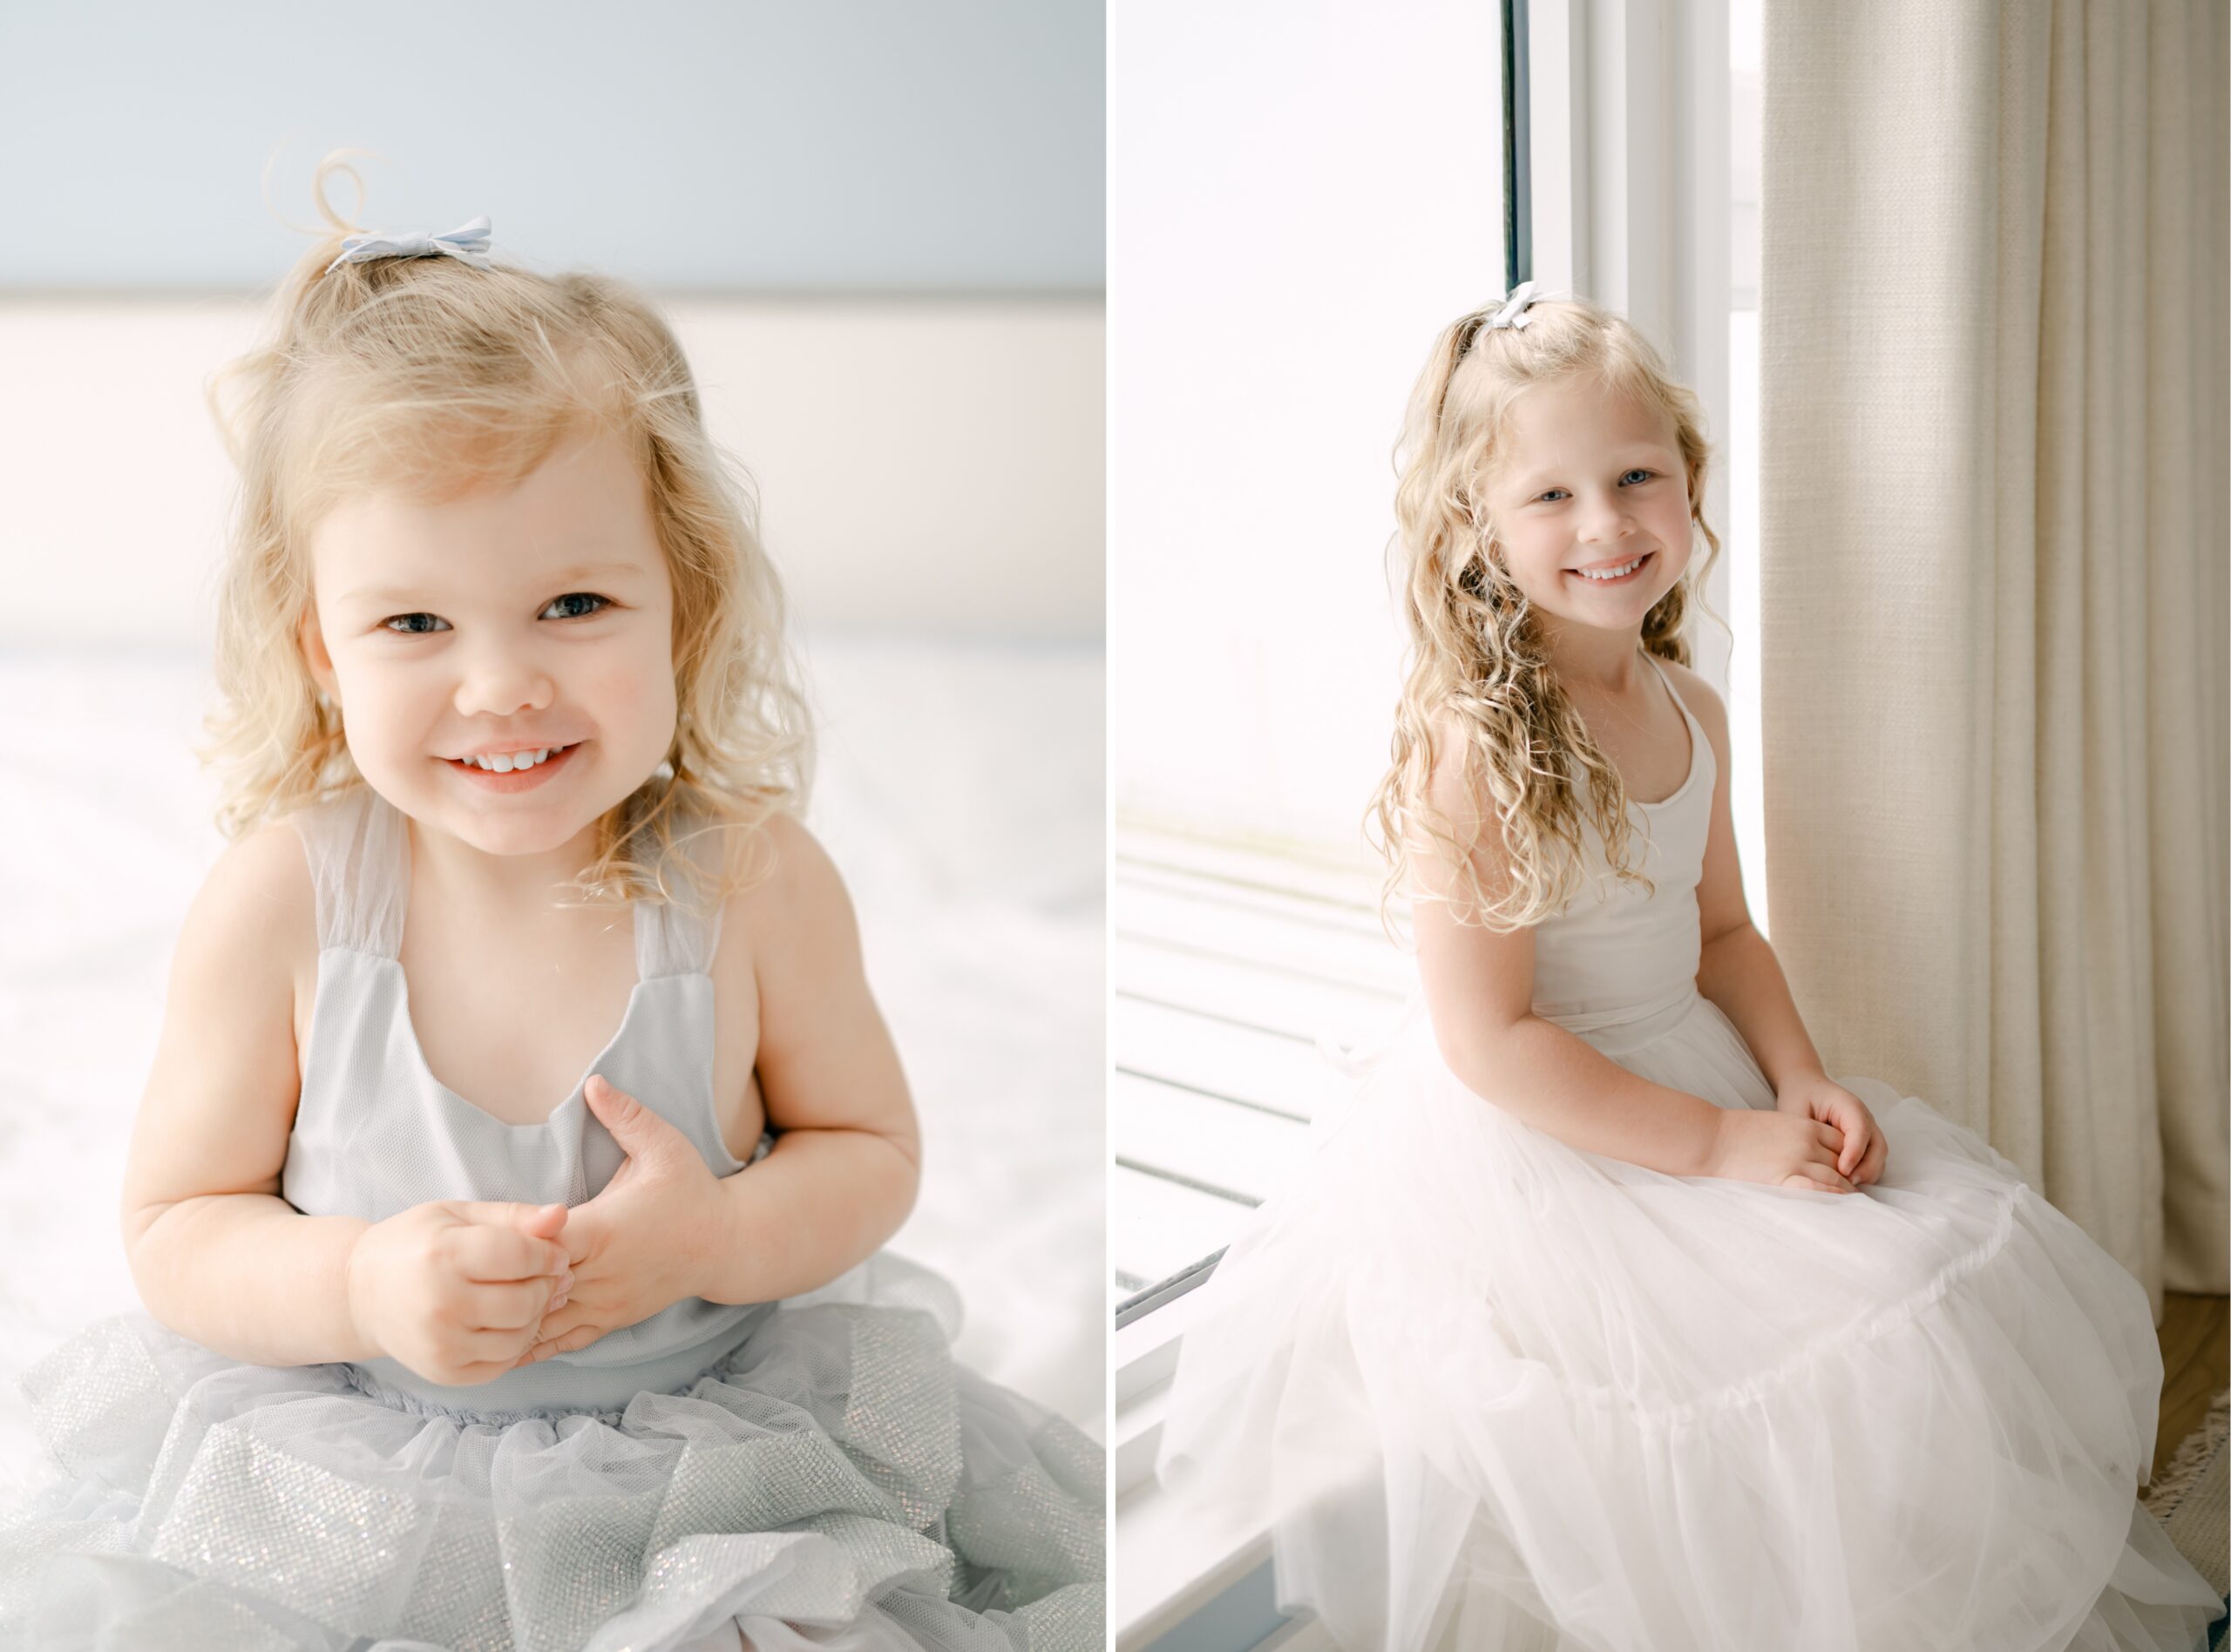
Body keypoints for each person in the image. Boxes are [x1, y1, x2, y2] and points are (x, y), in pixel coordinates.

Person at [0, 160, 1102, 1652]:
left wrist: (714, 1239)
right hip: (358, 1470)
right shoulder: (285, 904)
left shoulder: (752, 880)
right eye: (414, 622)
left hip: (709, 1478)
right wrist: (362, 1282)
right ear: (321, 649)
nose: (501, 682)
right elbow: (178, 1224)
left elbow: (870, 1150)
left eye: (574, 606)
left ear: (683, 600)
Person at [1151, 284, 2222, 1651]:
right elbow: (1491, 1042)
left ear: (1690, 480)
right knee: (1787, 1364)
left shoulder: (1690, 707)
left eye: (1635, 478)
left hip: (1691, 1067)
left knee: (1924, 1277)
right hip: (1548, 1136)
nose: (1605, 525)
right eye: (1551, 496)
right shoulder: (1477, 753)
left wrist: (1799, 1078)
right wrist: (1719, 1147)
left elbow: (1723, 935)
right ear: (1477, 526)